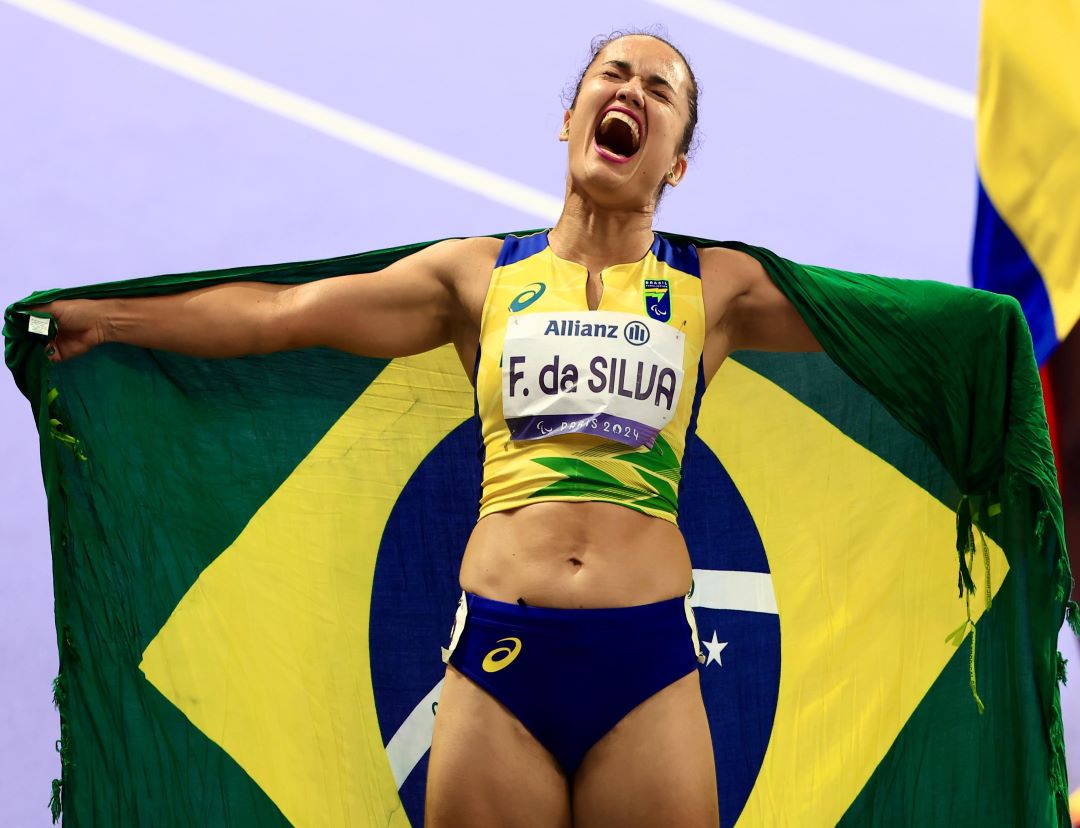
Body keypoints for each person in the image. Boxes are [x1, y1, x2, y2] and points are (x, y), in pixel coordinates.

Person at [40, 31, 819, 828]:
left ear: (676, 165)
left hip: (648, 664)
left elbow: (890, 334)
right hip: (502, 659)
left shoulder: (716, 288)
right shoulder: (478, 277)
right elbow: (284, 315)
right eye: (611, 75)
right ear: (569, 117)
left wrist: (961, 337)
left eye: (659, 91)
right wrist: (109, 320)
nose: (630, 91)